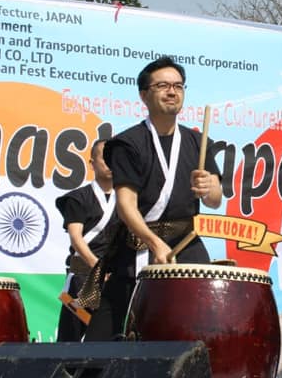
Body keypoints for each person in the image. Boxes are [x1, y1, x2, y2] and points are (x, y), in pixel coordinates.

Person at [86, 56, 222, 340]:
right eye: (163, 85)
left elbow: (215, 200)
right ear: (144, 95)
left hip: (186, 243)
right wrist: (155, 243)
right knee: (109, 337)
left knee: (199, 324)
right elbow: (125, 206)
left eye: (178, 86)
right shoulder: (129, 143)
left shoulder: (199, 142)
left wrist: (209, 187)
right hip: (139, 243)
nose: (172, 92)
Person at [54, 139, 115, 342]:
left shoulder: (128, 200)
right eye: (104, 158)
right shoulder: (78, 198)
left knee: (107, 337)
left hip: (113, 279)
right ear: (92, 163)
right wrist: (97, 267)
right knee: (71, 335)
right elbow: (75, 237)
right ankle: (67, 372)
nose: (110, 163)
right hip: (83, 276)